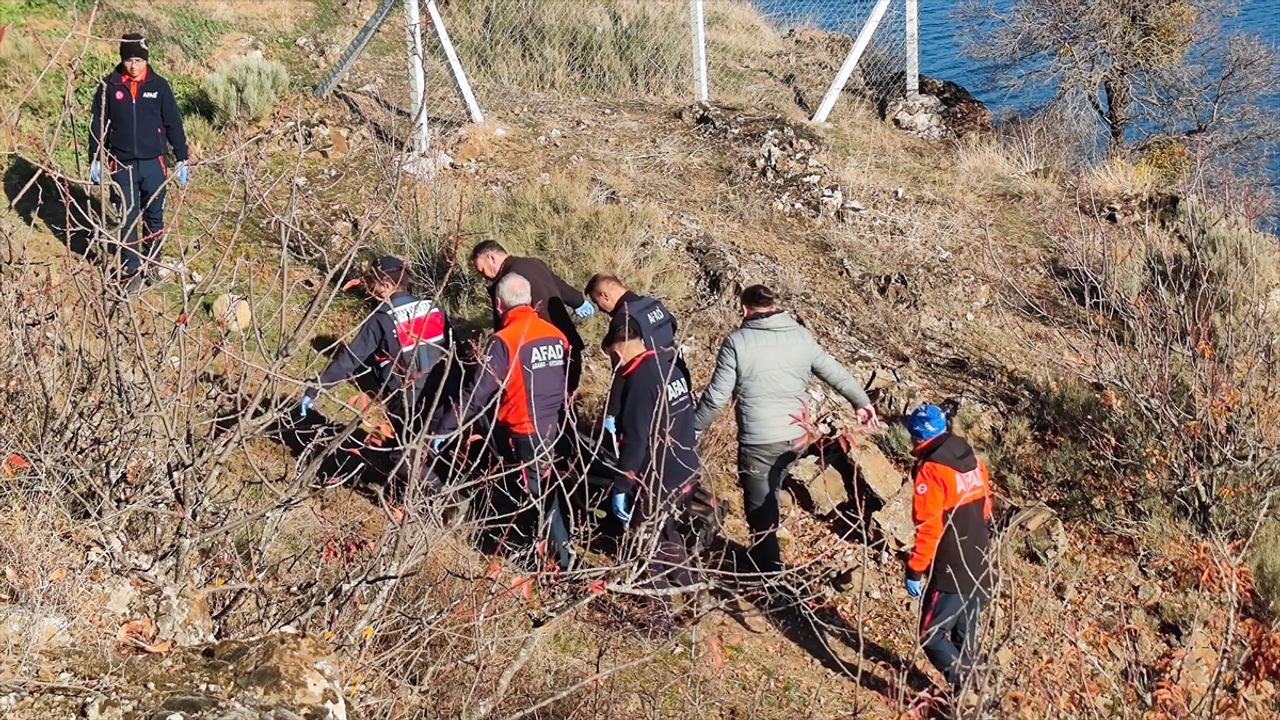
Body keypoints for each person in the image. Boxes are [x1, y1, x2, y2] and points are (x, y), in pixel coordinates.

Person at [693, 284, 877, 576]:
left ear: (744, 309)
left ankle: (768, 575)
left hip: (759, 442)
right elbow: (834, 372)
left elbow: (716, 398)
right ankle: (767, 553)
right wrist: (861, 402)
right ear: (774, 306)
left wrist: (694, 427)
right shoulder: (800, 337)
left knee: (759, 511)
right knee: (772, 490)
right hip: (796, 437)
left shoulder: (737, 343)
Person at [432, 273, 572, 570]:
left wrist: (443, 429)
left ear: (498, 304)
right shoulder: (555, 334)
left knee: (540, 498)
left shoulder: (505, 340)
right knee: (544, 489)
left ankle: (560, 565)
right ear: (531, 300)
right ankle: (541, 550)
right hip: (555, 425)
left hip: (526, 430)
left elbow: (477, 394)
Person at [300, 256, 450, 496]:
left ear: (386, 285)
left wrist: (315, 389)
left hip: (410, 402)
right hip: (446, 394)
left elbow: (350, 359)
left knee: (403, 457)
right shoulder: (434, 307)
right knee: (428, 451)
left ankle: (446, 500)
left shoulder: (382, 318)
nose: (369, 288)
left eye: (372, 282)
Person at [604, 317, 700, 593]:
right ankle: (695, 593)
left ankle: (658, 610)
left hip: (660, 478)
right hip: (686, 467)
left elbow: (635, 440)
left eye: (612, 359)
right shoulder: (670, 368)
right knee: (667, 532)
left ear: (618, 352)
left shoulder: (639, 382)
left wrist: (622, 485)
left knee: (643, 542)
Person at [88, 32, 190, 288]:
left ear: (146, 60)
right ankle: (131, 269)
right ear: (122, 59)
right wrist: (96, 157)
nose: (134, 66)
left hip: (154, 163)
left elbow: (173, 123)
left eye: (139, 60)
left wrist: (182, 156)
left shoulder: (159, 86)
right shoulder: (108, 86)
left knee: (154, 215)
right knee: (127, 217)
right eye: (129, 60)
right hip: (122, 164)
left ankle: (153, 263)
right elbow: (97, 125)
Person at [904, 404, 993, 691]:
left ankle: (966, 689)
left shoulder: (931, 470)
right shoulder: (971, 457)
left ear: (916, 436)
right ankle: (978, 698)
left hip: (951, 567)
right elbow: (986, 507)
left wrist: (915, 570)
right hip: (979, 558)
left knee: (931, 635)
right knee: (965, 639)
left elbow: (929, 528)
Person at [469, 240, 592, 394]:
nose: (483, 277)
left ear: (491, 258)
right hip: (568, 344)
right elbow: (562, 288)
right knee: (566, 395)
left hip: (541, 355)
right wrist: (579, 302)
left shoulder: (506, 283)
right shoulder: (534, 263)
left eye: (481, 270)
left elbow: (505, 325)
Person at [586, 273, 690, 435]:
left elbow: (621, 370)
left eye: (596, 302)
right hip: (677, 381)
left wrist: (611, 412)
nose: (599, 309)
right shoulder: (653, 304)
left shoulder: (624, 319)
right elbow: (672, 324)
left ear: (604, 295)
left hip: (649, 392)